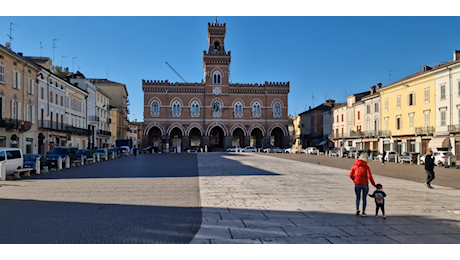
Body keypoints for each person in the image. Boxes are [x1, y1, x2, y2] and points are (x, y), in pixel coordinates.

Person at [349, 153, 377, 217]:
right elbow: (369, 176)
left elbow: (350, 175)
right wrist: (374, 184)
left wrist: (355, 180)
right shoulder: (366, 167)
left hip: (357, 184)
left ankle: (357, 209)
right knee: (364, 198)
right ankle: (363, 211)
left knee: (358, 197)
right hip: (365, 184)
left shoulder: (354, 166)